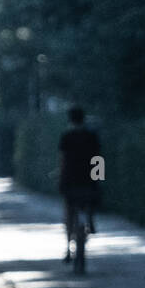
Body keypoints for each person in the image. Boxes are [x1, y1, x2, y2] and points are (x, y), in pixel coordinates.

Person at [57, 105, 101, 262]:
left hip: (70, 180)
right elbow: (98, 160)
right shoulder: (92, 136)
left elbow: (63, 161)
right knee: (91, 202)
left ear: (70, 119)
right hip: (88, 180)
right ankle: (90, 220)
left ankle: (69, 248)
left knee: (69, 212)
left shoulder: (66, 136)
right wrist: (98, 179)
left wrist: (61, 180)